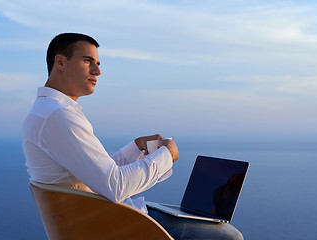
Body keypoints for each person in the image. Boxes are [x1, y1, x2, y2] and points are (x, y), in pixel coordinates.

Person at [22, 33, 243, 239]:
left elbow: (94, 174)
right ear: (60, 62)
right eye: (88, 61)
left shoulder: (48, 112)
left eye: (98, 64)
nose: (97, 71)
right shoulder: (59, 116)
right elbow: (114, 186)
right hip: (107, 225)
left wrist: (136, 148)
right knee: (229, 235)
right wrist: (166, 154)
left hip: (96, 219)